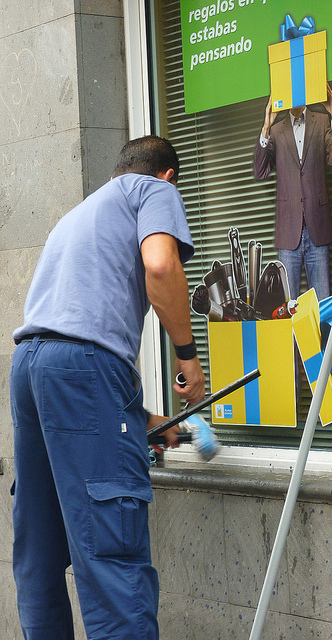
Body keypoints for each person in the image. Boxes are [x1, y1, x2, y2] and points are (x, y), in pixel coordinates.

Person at [9, 134, 205, 640]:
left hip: (29, 366)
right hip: (81, 369)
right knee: (111, 557)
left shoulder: (79, 215)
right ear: (167, 177)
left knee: (40, 548)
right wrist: (187, 358)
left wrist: (142, 422)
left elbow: (64, 351)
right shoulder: (154, 190)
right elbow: (161, 266)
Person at [253, 83, 332, 300]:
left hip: (317, 229)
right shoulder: (276, 130)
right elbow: (261, 171)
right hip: (288, 231)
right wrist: (266, 126)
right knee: (288, 308)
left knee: (322, 306)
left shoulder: (321, 122)